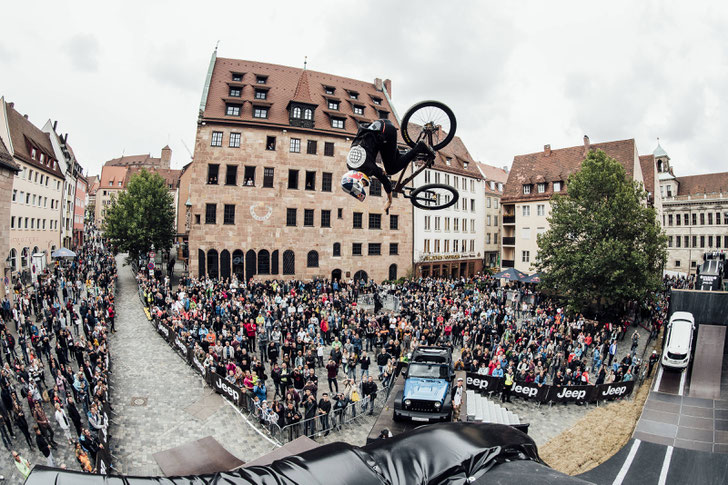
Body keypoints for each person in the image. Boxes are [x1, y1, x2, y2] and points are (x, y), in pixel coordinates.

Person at [341, 119, 434, 211]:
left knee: (391, 170)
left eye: (363, 184)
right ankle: (418, 156)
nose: (366, 184)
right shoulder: (350, 164)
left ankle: (419, 148)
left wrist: (389, 200)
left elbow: (386, 182)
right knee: (391, 160)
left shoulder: (368, 167)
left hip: (385, 133)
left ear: (358, 178)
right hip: (379, 126)